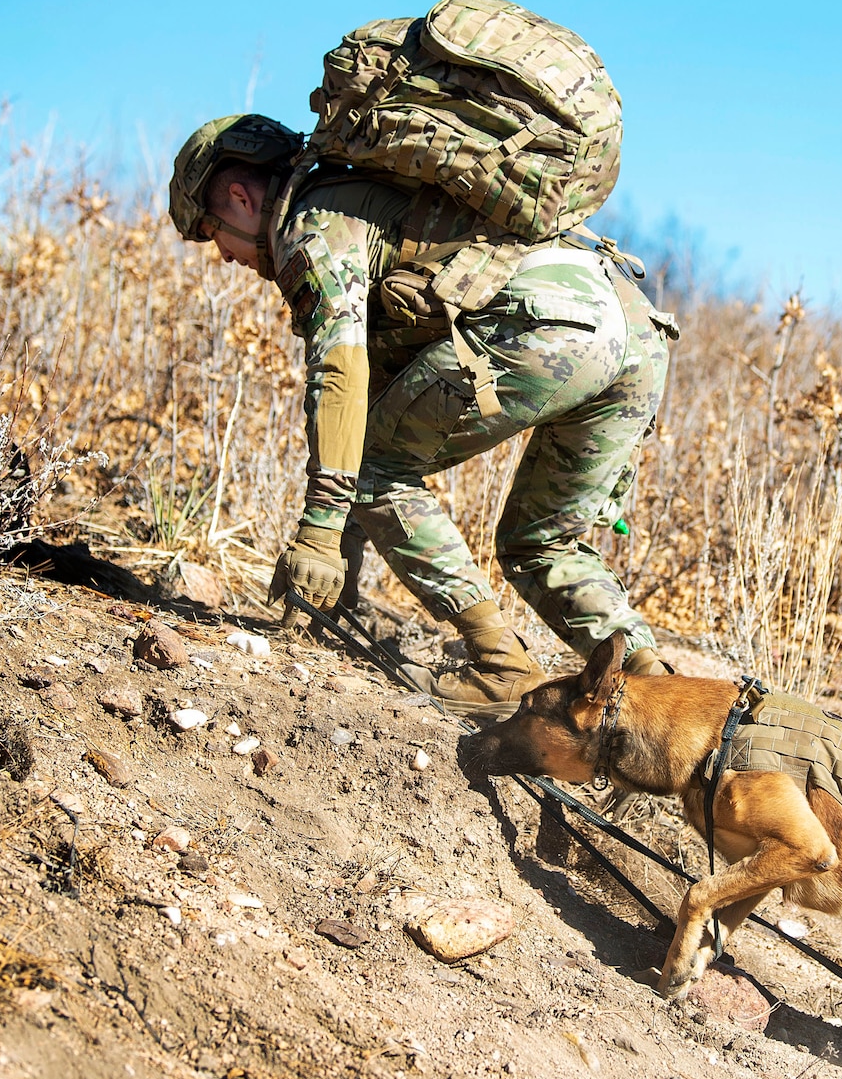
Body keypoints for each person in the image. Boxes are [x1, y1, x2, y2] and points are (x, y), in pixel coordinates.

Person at [169, 113, 676, 715]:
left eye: (210, 233)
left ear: (238, 196)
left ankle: (499, 664)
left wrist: (320, 533)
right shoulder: (384, 204)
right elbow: (370, 399)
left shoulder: (313, 225)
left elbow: (341, 376)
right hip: (637, 326)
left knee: (372, 465)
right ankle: (659, 696)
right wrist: (331, 586)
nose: (225, 257)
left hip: (551, 328)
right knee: (542, 545)